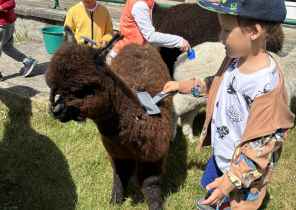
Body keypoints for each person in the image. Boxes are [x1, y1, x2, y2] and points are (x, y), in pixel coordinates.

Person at [162, 0, 295, 209]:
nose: (219, 36)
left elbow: (265, 145)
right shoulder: (234, 61)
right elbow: (216, 86)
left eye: (225, 30)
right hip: (222, 154)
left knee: (237, 204)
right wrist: (183, 86)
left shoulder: (267, 87)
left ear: (254, 32)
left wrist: (230, 180)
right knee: (216, 194)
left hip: (245, 171)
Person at [110, 0, 191, 58]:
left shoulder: (145, 2)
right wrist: (179, 41)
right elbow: (151, 36)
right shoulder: (140, 5)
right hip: (126, 56)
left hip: (129, 51)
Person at [0, 0, 38, 82]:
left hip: (0, 24)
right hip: (5, 23)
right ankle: (27, 61)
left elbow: (10, 3)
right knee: (7, 47)